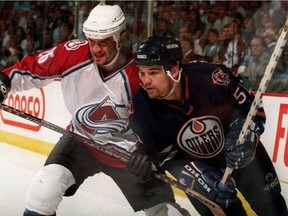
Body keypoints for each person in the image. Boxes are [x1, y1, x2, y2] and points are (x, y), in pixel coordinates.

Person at [0, 4, 190, 216]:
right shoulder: (72, 54)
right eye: (92, 41)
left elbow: (167, 121)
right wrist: (4, 82)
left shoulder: (140, 75)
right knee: (42, 192)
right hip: (81, 140)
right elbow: (30, 69)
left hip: (128, 152)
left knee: (167, 213)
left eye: (105, 41)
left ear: (122, 37)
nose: (96, 49)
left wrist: (150, 153)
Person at [126, 36, 288, 216]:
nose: (145, 81)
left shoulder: (212, 77)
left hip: (239, 154)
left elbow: (253, 110)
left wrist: (246, 134)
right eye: (141, 72)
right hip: (199, 168)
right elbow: (161, 157)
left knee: (273, 209)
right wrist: (194, 175)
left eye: (153, 72)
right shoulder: (141, 108)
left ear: (174, 69)